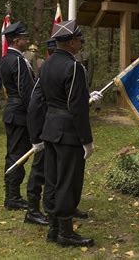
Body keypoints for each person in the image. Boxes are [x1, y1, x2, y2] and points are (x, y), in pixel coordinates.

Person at [37, 20, 101, 247]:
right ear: (71, 42)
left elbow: (43, 100)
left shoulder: (46, 64)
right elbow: (77, 107)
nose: (81, 44)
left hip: (51, 128)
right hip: (68, 132)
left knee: (53, 180)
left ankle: (54, 228)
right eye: (79, 40)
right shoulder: (74, 67)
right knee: (68, 182)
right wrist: (87, 140)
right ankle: (65, 233)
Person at [0, 22, 48, 224]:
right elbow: (25, 91)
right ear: (16, 40)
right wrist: (35, 114)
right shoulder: (18, 61)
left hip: (13, 110)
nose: (26, 40)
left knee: (14, 153)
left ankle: (12, 195)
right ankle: (12, 197)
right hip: (19, 113)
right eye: (23, 38)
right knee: (17, 155)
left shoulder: (6, 59)